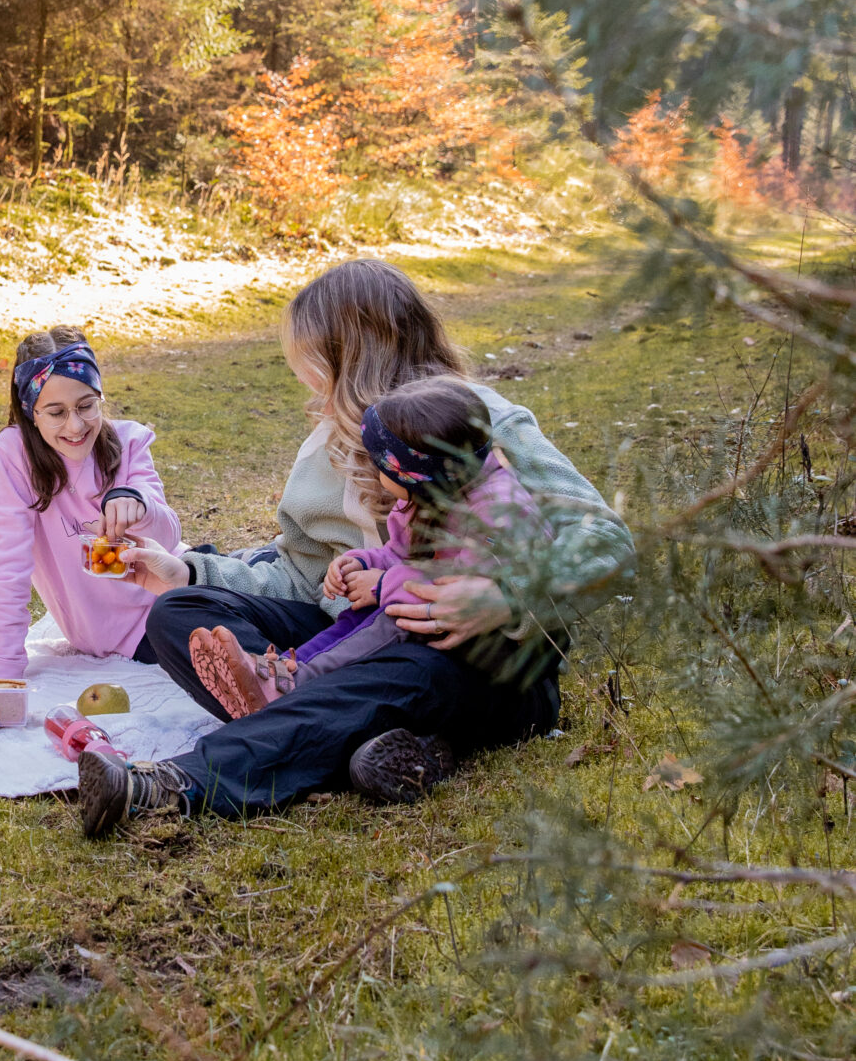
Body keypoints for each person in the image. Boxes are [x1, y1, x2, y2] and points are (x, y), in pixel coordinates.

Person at [76, 259, 633, 837]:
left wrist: (507, 598)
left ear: (354, 358)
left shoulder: (475, 422)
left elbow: (607, 543)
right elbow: (299, 573)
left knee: (411, 668)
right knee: (180, 614)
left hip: (476, 662)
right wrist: (186, 571)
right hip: (356, 637)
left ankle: (169, 786)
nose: (305, 386)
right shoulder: (326, 450)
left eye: (311, 367)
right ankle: (391, 746)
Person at [190, 376, 541, 707]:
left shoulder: (496, 514)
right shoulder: (430, 494)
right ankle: (282, 671)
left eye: (381, 467)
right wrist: (364, 563)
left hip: (486, 648)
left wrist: (385, 584)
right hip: (426, 606)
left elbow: (463, 593)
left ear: (415, 475)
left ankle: (293, 685)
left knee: (387, 618)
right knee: (358, 614)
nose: (375, 473)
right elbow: (400, 554)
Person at [0, 327, 180, 678]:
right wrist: (6, 671)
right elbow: (7, 570)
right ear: (31, 412)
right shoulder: (14, 457)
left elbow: (169, 539)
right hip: (136, 634)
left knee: (265, 583)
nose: (75, 425)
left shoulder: (127, 441)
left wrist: (140, 505)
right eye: (56, 412)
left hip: (182, 583)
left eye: (86, 406)